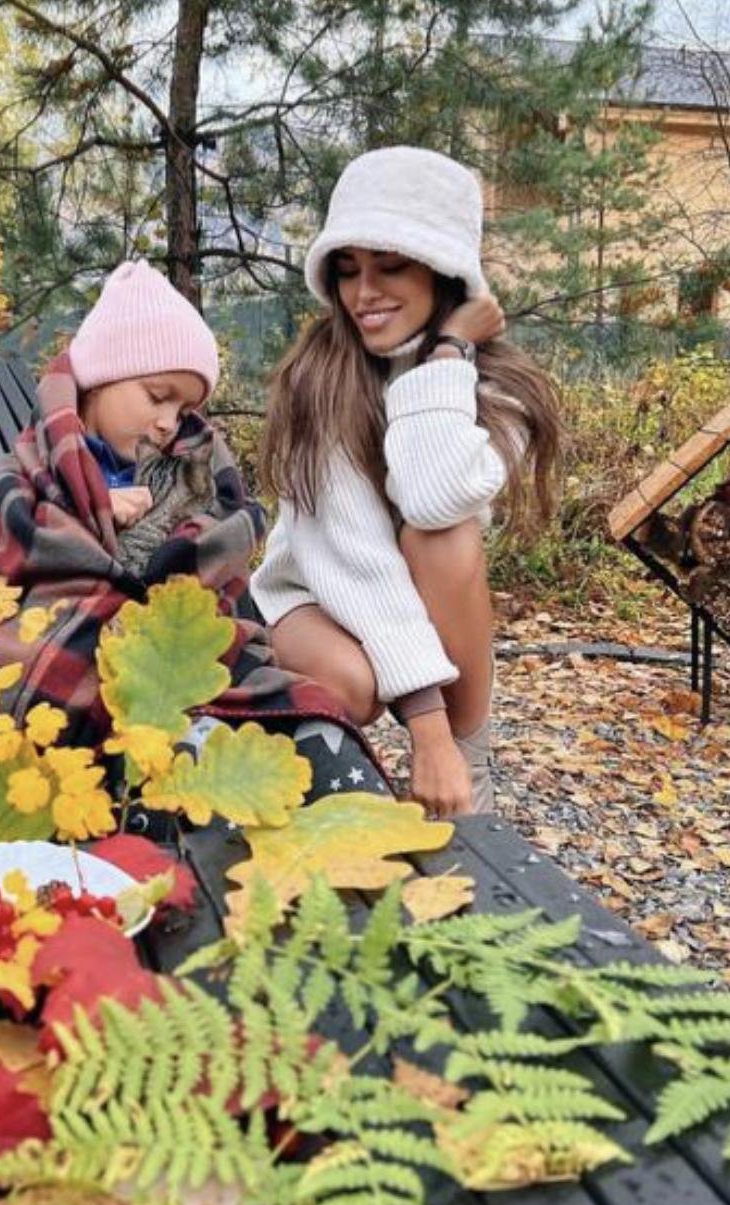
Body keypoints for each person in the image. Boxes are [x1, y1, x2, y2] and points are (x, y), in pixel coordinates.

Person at [0, 261, 390, 855]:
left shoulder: (190, 466)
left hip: (181, 658)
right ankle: (199, 862)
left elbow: (218, 547)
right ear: (100, 378)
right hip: (75, 667)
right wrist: (93, 508)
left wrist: (156, 530)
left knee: (314, 723)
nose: (168, 421)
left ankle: (375, 844)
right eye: (157, 396)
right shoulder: (27, 473)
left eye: (183, 407)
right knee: (182, 748)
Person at [251, 146, 562, 818]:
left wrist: (448, 354)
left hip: (415, 594)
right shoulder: (320, 377)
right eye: (348, 270)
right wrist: (424, 725)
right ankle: (331, 774)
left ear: (445, 271)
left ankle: (467, 776)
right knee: (352, 685)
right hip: (313, 597)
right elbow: (354, 559)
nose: (364, 294)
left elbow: (431, 495)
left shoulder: (495, 389)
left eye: (391, 265)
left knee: (443, 536)